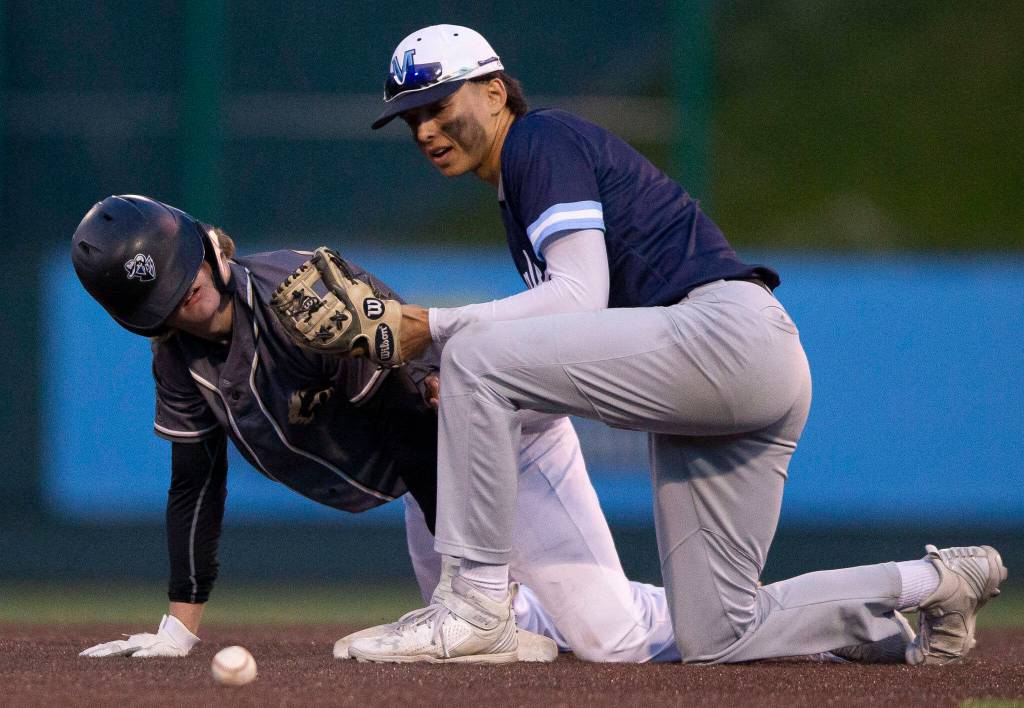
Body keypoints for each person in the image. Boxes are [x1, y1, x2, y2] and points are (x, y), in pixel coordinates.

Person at [346, 25, 1007, 665]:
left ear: (494, 92)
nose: (425, 129)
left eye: (436, 106)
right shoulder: (516, 188)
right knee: (719, 634)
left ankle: (476, 608)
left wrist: (429, 328)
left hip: (724, 335)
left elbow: (579, 298)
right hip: (729, 373)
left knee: (474, 354)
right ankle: (933, 584)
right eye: (411, 120)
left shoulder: (537, 141)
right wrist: (462, 399)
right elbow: (565, 340)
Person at [70, 194, 680, 662]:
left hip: (492, 438)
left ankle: (722, 615)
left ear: (210, 248)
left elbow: (411, 419)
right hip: (432, 475)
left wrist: (471, 595)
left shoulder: (297, 302)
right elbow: (195, 484)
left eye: (188, 276)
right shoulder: (179, 362)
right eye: (168, 298)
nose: (187, 297)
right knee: (516, 622)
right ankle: (575, 607)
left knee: (609, 639)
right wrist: (179, 628)